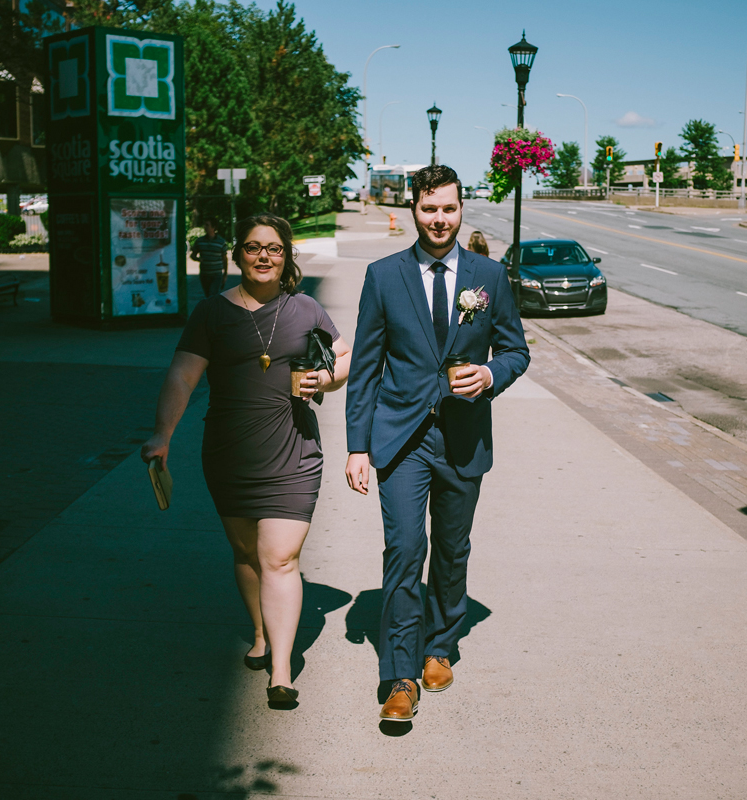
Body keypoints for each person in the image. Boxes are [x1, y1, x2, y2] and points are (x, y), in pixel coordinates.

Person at [141, 213, 351, 707]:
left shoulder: (304, 308)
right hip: (229, 453)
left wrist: (326, 380)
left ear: (286, 257)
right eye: (254, 247)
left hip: (294, 450)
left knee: (279, 558)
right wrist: (162, 434)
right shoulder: (212, 313)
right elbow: (182, 377)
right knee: (245, 554)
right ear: (237, 254)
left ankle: (281, 670)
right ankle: (259, 631)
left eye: (274, 248)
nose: (264, 256)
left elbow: (343, 355)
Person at [345, 164, 530, 723]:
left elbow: (516, 350)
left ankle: (440, 644)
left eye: (448, 208)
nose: (439, 219)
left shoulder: (489, 277)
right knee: (405, 549)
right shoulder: (383, 276)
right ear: (413, 211)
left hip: (463, 436)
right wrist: (358, 444)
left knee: (452, 549)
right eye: (429, 209)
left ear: (460, 209)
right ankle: (399, 676)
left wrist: (491, 375)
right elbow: (366, 368)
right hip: (401, 437)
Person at [191, 219, 229, 298]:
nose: (205, 227)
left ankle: (213, 310)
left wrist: (225, 274)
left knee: (213, 294)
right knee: (208, 295)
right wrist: (198, 259)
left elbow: (224, 259)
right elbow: (193, 255)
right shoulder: (200, 241)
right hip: (204, 274)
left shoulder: (221, 242)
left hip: (216, 274)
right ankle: (211, 309)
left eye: (207, 225)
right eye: (204, 225)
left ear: (213, 227)